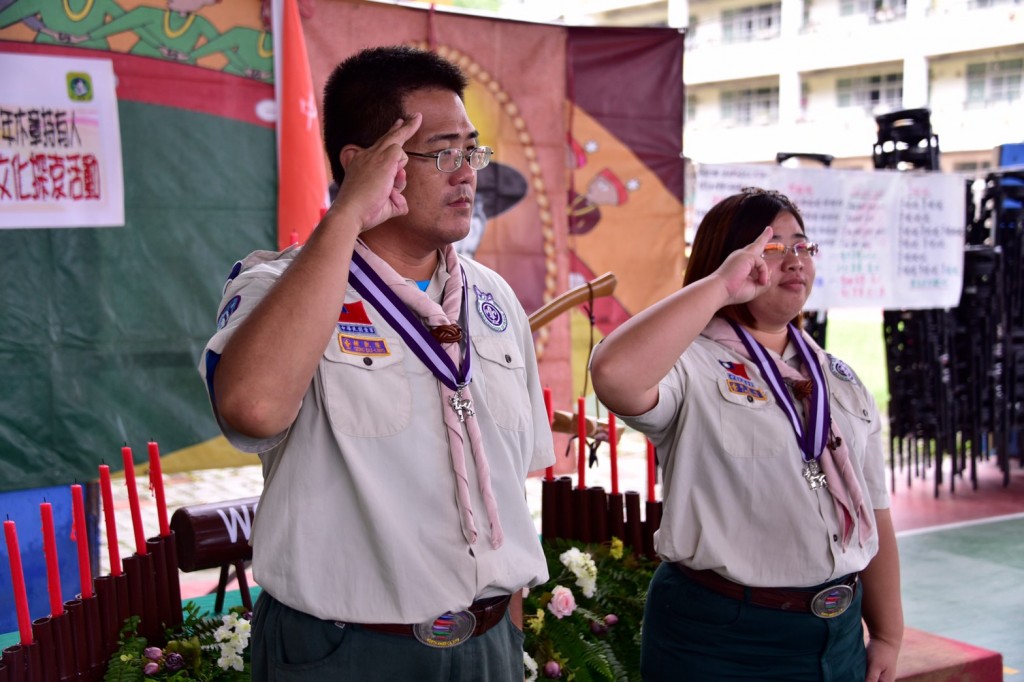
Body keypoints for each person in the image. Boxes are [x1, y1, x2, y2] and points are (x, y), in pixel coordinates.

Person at [198, 45, 554, 680]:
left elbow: (509, 485)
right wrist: (346, 216)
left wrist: (509, 631)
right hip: (350, 652)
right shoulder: (275, 288)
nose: (467, 173)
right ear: (363, 164)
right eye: (442, 152)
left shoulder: (493, 298)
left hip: (488, 645)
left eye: (472, 151)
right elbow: (251, 410)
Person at [590, 187, 903, 682]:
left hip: (837, 633)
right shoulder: (688, 363)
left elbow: (875, 509)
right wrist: (718, 287)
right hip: (722, 637)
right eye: (772, 248)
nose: (794, 260)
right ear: (732, 261)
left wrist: (886, 632)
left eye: (802, 245)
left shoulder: (837, 378)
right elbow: (613, 375)